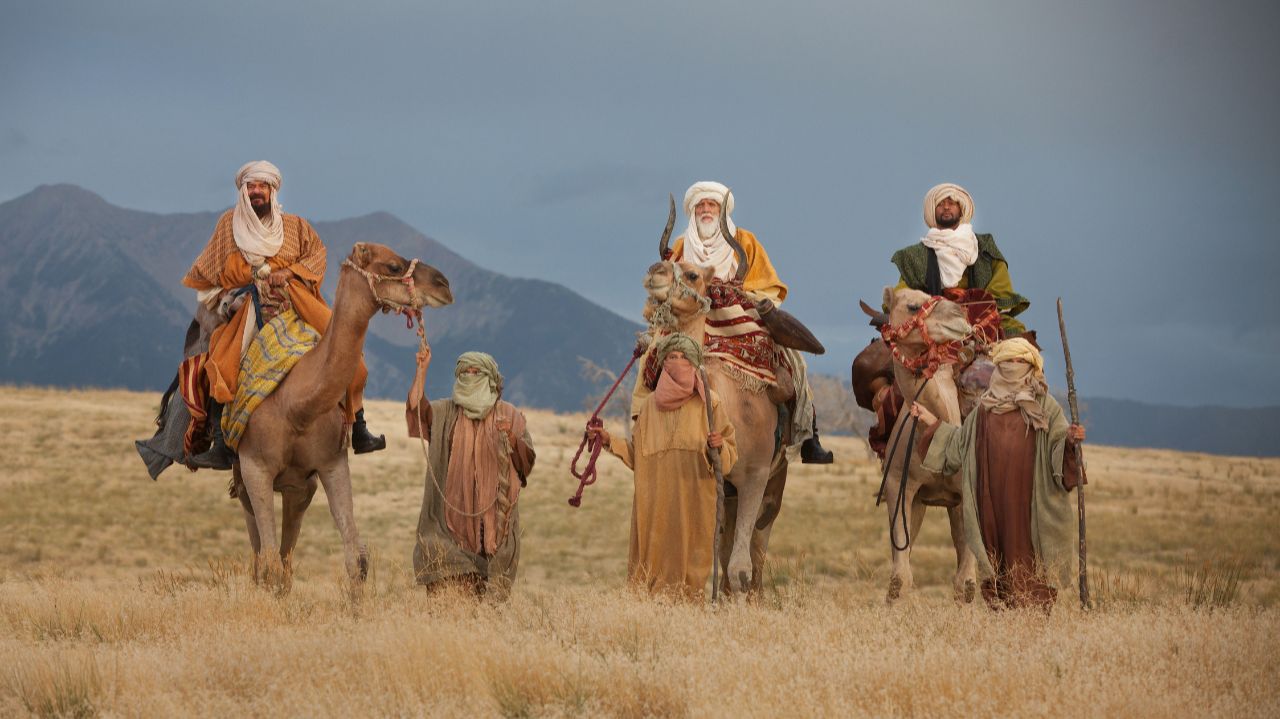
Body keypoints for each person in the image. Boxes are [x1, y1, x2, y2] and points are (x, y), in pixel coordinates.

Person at [185, 161, 384, 469]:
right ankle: (222, 445)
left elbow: (317, 255)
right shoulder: (229, 225)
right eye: (251, 187)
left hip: (295, 304)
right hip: (248, 307)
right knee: (222, 358)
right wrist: (235, 294)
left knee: (343, 352)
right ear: (243, 191)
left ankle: (358, 427)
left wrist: (289, 273)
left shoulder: (294, 226)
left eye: (262, 186)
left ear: (272, 189)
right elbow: (210, 273)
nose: (256, 192)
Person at [909, 338, 1086, 612]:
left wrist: (1071, 442)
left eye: (1019, 362)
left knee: (1029, 551)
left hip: (1029, 498)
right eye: (1007, 362)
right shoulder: (985, 407)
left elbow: (1058, 444)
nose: (1013, 367)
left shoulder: (1045, 406)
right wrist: (929, 421)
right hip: (990, 498)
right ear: (998, 366)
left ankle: (1034, 613)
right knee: (996, 551)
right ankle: (1002, 612)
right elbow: (958, 446)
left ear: (1031, 366)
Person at [666, 180, 833, 463]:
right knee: (652, 357)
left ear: (722, 210)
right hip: (693, 321)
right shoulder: (680, 247)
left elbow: (769, 286)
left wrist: (741, 297)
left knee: (793, 361)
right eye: (701, 205)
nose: (706, 210)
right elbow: (669, 290)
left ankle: (807, 435)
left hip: (738, 317)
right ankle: (644, 425)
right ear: (692, 211)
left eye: (712, 205)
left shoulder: (745, 241)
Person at [592, 334, 737, 600]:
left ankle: (688, 615)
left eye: (684, 358)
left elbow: (729, 456)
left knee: (691, 568)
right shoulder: (648, 408)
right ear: (662, 363)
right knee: (649, 572)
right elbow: (639, 455)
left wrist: (719, 446)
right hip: (654, 503)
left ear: (694, 364)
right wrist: (608, 440)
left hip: (693, 502)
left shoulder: (710, 404)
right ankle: (648, 618)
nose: (678, 363)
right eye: (671, 357)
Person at [408, 351, 535, 598]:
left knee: (487, 608)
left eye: (476, 372)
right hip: (449, 529)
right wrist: (421, 371)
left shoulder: (510, 415)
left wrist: (510, 438)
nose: (469, 376)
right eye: (465, 372)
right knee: (449, 597)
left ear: (490, 378)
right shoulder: (445, 411)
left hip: (493, 534)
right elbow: (416, 412)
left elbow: (526, 464)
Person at [890, 182, 1030, 337]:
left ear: (961, 209)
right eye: (940, 204)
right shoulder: (914, 255)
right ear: (932, 211)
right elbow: (902, 295)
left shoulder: (983, 245)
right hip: (933, 320)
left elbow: (1000, 281)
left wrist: (977, 308)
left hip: (982, 317)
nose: (946, 207)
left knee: (1018, 342)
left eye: (952, 203)